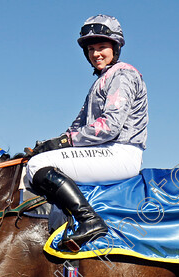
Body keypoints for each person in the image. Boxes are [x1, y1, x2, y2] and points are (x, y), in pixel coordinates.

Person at [24, 14, 148, 252]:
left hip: (120, 152)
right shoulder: (101, 81)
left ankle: (90, 221)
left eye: (102, 47)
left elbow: (110, 126)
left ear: (115, 48)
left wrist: (64, 141)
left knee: (38, 168)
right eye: (91, 49)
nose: (96, 54)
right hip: (105, 151)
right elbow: (77, 127)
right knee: (35, 166)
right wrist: (51, 144)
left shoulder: (123, 74)